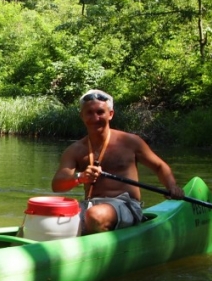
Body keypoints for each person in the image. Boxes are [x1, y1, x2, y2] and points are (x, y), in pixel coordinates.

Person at [51, 89, 184, 235]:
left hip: (126, 205)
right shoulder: (74, 150)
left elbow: (159, 166)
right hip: (90, 206)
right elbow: (57, 185)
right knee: (48, 218)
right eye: (89, 113)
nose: (95, 118)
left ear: (111, 114)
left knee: (95, 215)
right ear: (82, 116)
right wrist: (80, 177)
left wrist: (172, 187)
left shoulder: (130, 142)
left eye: (100, 112)